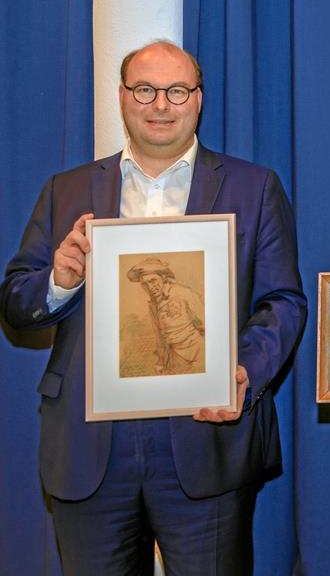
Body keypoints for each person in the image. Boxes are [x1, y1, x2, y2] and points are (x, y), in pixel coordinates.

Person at [0, 40, 307, 574]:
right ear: (122, 97)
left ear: (198, 99)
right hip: (90, 445)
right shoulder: (66, 190)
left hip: (205, 439)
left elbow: (283, 302)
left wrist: (241, 373)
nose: (161, 104)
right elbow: (15, 302)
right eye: (145, 90)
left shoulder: (253, 187)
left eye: (176, 90)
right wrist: (60, 280)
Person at [126, 257, 206, 375]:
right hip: (172, 357)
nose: (150, 287)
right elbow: (160, 337)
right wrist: (161, 362)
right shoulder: (153, 305)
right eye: (145, 284)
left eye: (153, 280)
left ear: (163, 277)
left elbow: (205, 324)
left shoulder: (184, 293)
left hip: (196, 356)